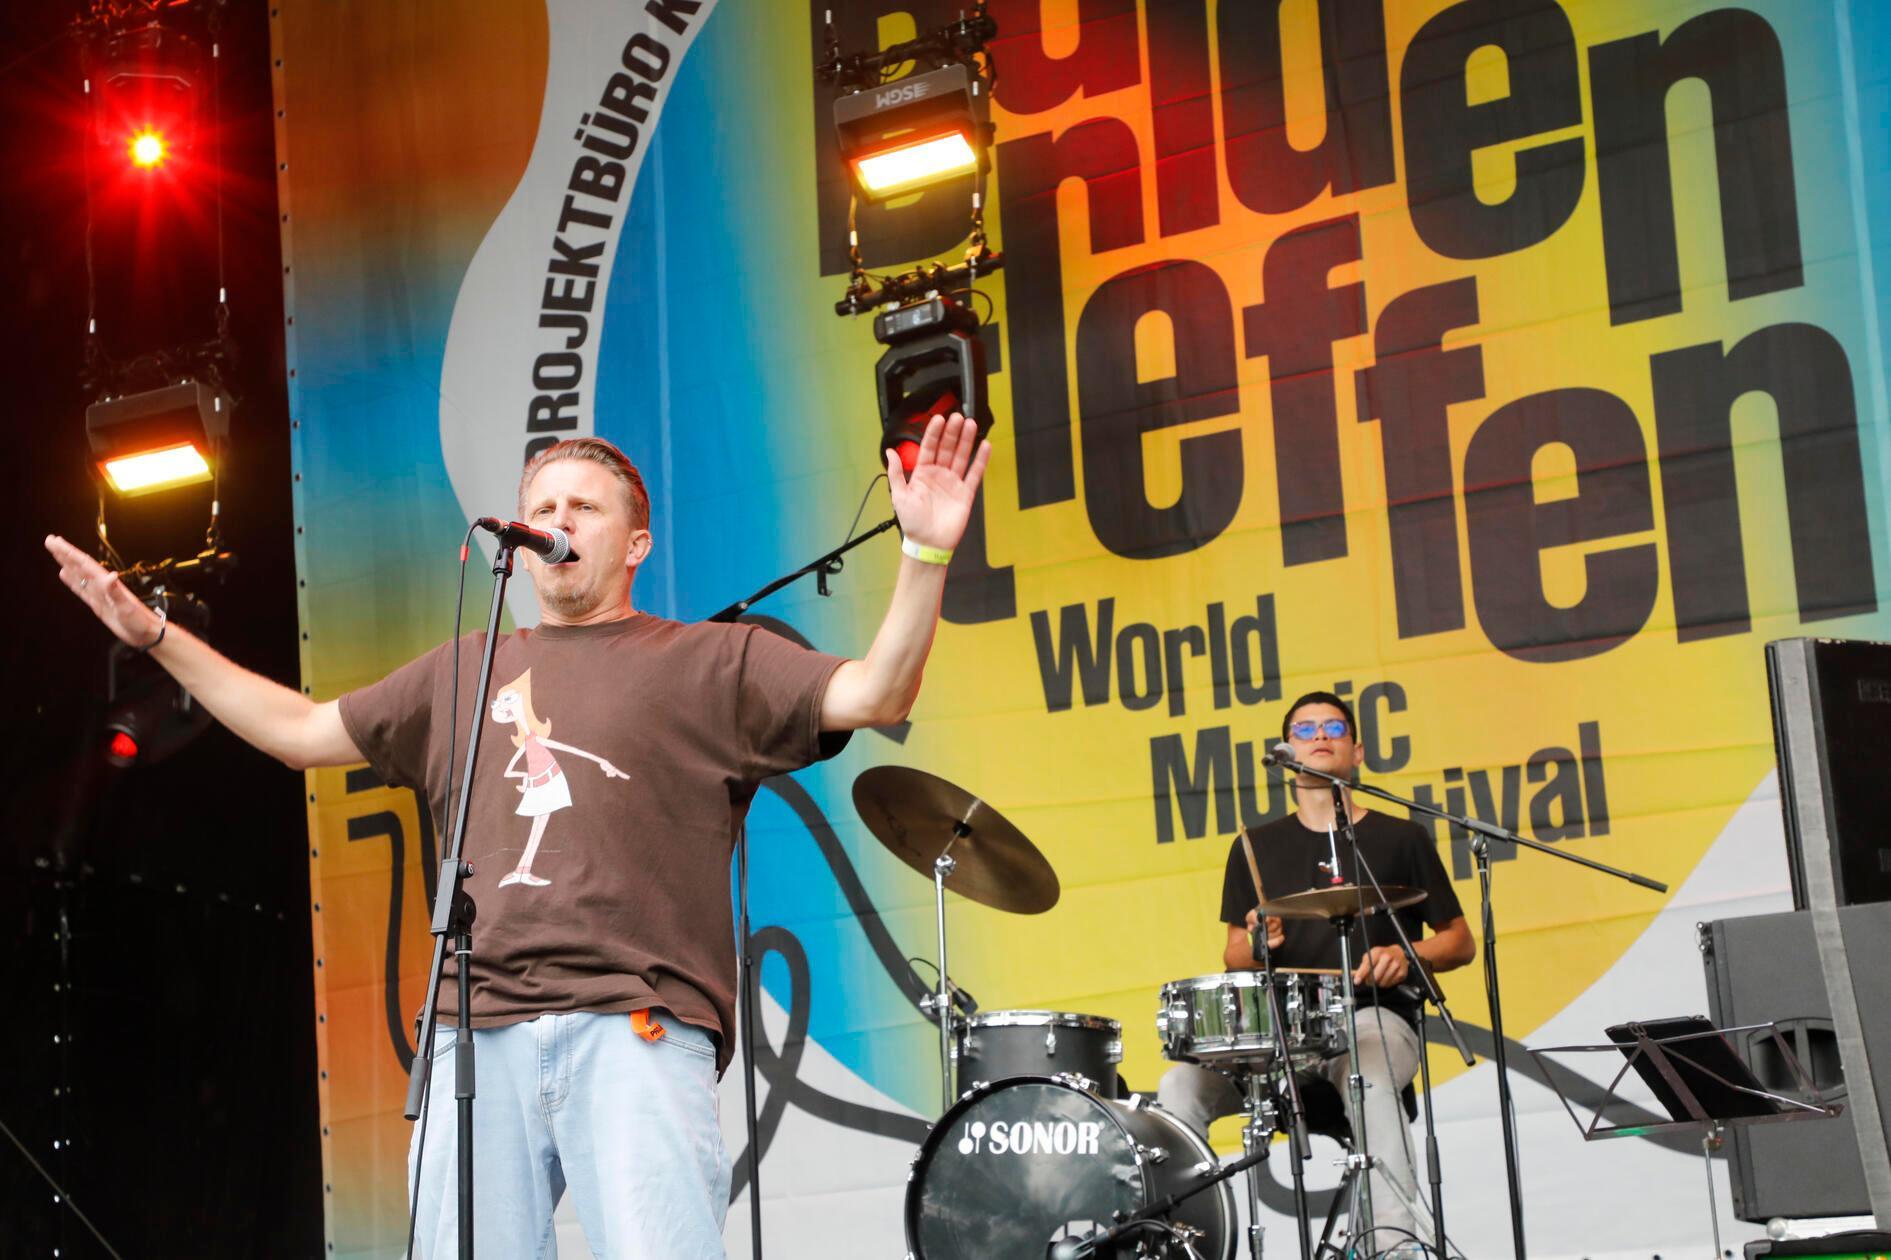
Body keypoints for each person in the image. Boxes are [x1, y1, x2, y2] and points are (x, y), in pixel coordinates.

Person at [45, 413, 993, 1260]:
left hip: (636, 1021)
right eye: (542, 504)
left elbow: (877, 692)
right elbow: (300, 732)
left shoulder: (712, 661)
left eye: (584, 505)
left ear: (637, 542)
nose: (558, 519)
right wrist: (159, 636)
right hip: (470, 1033)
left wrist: (924, 555)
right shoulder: (464, 667)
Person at [1156, 691, 1475, 1251]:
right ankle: (1186, 1244)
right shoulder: (1254, 846)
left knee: (1369, 1076)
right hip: (1278, 1033)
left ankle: (1394, 1245)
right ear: (1286, 756)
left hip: (1374, 1018)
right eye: (1304, 730)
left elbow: (1459, 940)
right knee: (1179, 1084)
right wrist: (1260, 943)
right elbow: (1234, 953)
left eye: (1334, 727)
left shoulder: (1403, 838)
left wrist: (1410, 955)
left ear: (1357, 751)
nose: (1320, 736)